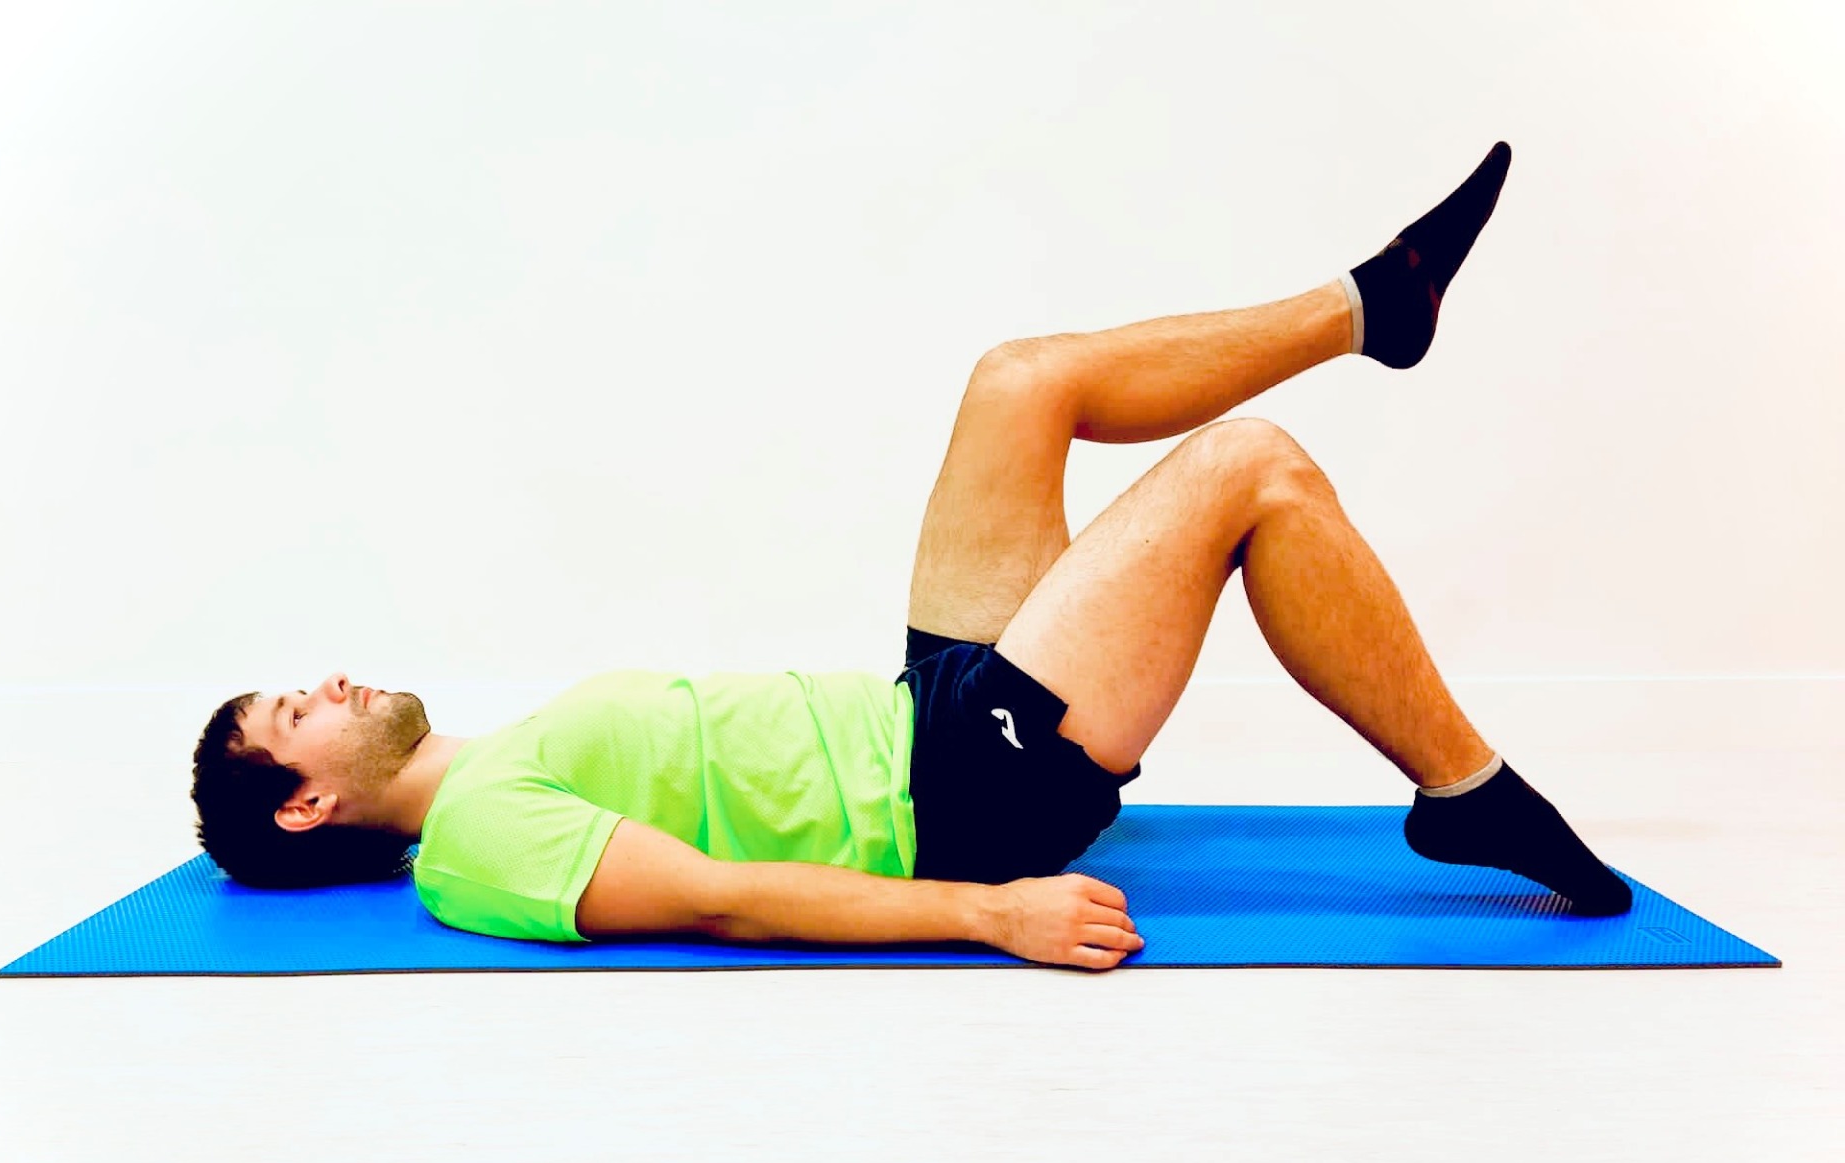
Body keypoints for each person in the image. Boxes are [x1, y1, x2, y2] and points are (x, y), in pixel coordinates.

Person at [191, 140, 1632, 972]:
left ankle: (1370, 308)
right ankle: (1467, 793)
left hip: (923, 713)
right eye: (293, 711)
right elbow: (720, 899)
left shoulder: (496, 761)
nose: (326, 682)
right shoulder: (476, 846)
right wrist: (990, 916)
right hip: (964, 801)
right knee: (1250, 468)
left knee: (1020, 380)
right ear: (308, 805)